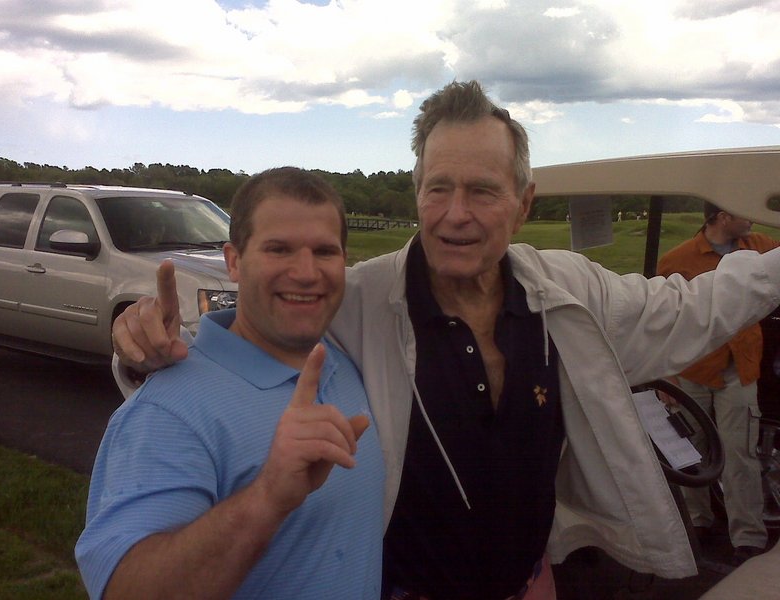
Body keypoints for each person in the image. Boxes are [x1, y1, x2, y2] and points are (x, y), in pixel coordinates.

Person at [112, 81, 780, 600]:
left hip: (532, 585)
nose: (456, 215)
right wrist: (144, 342)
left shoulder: (568, 293)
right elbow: (265, 322)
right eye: (438, 189)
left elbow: (693, 306)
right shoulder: (363, 297)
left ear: (523, 203)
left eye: (483, 191)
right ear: (417, 194)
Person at [76, 167, 385, 599]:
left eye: (324, 251)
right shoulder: (167, 411)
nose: (306, 272)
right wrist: (268, 497)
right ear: (234, 261)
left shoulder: (346, 362)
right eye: (279, 249)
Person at [657, 201, 779, 566]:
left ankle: (749, 539)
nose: (752, 217)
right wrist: (665, 377)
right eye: (745, 210)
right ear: (723, 217)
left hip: (738, 369)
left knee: (739, 452)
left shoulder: (759, 246)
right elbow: (662, 320)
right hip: (692, 369)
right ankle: (699, 522)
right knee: (690, 450)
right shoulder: (677, 259)